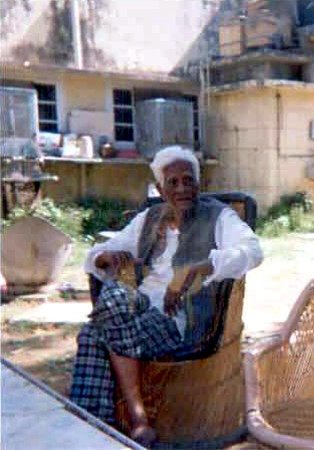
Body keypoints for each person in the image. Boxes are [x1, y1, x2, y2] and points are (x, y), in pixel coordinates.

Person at [70, 146, 263, 445]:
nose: (182, 188)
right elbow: (96, 256)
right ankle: (107, 427)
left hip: (181, 321)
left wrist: (199, 266)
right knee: (107, 312)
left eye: (189, 180)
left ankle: (119, 422)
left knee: (96, 329)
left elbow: (251, 252)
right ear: (160, 189)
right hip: (135, 312)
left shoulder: (218, 216)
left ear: (199, 184)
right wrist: (108, 257)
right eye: (173, 182)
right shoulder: (149, 218)